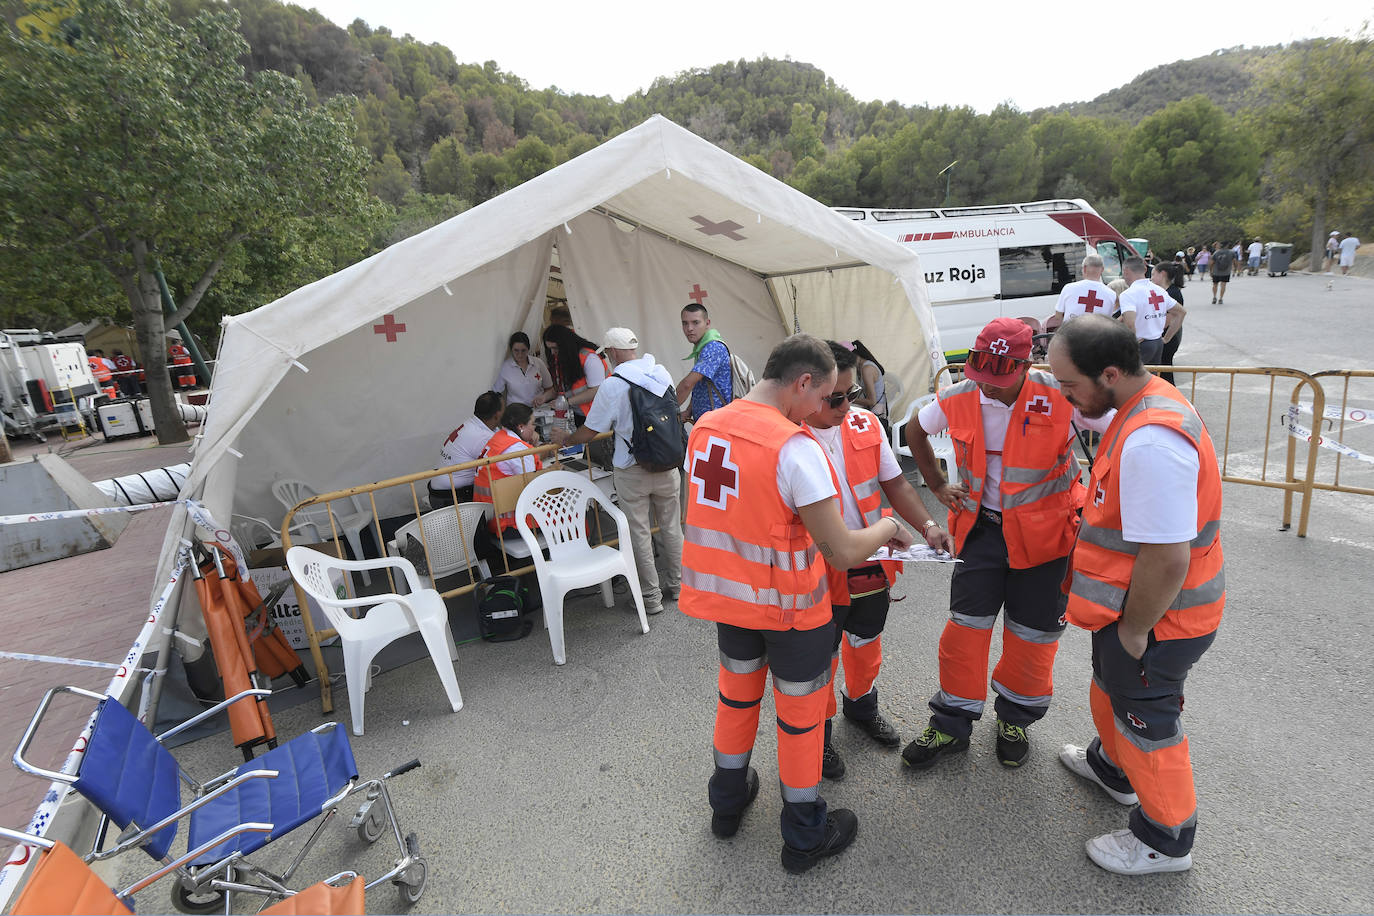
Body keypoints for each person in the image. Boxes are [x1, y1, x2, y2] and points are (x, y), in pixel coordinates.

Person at [680, 333, 915, 873]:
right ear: (803, 382)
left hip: (728, 604)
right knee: (801, 719)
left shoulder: (708, 427)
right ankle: (805, 832)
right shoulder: (794, 447)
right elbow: (842, 551)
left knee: (736, 701)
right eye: (826, 396)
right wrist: (887, 528)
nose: (825, 410)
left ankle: (727, 801)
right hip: (789, 612)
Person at [1047, 314, 1224, 876]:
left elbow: (1168, 556)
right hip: (1128, 610)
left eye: (1070, 385)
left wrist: (1134, 630)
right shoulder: (1138, 404)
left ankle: (1165, 841)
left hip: (1157, 620)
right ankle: (1114, 770)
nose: (1063, 395)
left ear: (1111, 373)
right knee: (1113, 692)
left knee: (1147, 723)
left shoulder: (1150, 439)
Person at [902, 317, 1102, 771]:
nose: (988, 388)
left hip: (1046, 541)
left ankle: (1014, 720)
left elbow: (1119, 427)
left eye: (999, 379)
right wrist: (935, 485)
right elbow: (915, 430)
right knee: (963, 633)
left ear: (1026, 365)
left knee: (1033, 639)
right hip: (982, 535)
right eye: (981, 378)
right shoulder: (960, 394)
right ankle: (951, 724)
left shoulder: (1061, 394)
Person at [804, 341, 954, 779]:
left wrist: (929, 526)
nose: (846, 405)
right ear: (807, 387)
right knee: (821, 657)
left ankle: (861, 706)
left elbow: (897, 485)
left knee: (866, 641)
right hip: (819, 569)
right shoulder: (788, 435)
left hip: (871, 562)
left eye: (851, 394)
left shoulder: (864, 423)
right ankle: (820, 733)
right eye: (836, 397)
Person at [553, 327, 683, 616]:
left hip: (631, 468)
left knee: (639, 533)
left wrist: (567, 439)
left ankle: (651, 598)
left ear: (611, 352)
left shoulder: (613, 385)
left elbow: (590, 431)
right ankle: (679, 586)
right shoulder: (661, 372)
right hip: (667, 463)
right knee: (672, 526)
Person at [473, 402, 543, 537]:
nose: (535, 428)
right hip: (509, 522)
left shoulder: (499, 438)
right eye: (533, 424)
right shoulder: (517, 449)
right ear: (521, 426)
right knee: (569, 512)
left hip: (488, 518)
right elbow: (533, 486)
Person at [430, 391, 503, 507]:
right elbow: (509, 460)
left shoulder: (472, 424)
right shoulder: (483, 436)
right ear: (497, 415)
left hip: (439, 490)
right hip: (451, 497)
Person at [1116, 256, 1178, 366]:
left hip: (1142, 344)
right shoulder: (1159, 290)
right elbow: (1181, 312)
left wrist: (1132, 345)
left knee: (1131, 379)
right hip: (1158, 342)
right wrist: (1166, 338)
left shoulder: (1128, 294)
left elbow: (1130, 324)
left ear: (1125, 271)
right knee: (1151, 380)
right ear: (1145, 269)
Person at [677, 303, 733, 421]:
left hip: (718, 423)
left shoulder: (713, 347)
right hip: (709, 422)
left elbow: (687, 384)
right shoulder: (703, 347)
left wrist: (664, 411)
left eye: (695, 322)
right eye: (685, 323)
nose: (689, 328)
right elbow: (700, 385)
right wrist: (688, 411)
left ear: (707, 323)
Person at [542, 324, 609, 418]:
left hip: (598, 414)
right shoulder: (564, 357)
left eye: (555, 348)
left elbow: (596, 390)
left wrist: (566, 402)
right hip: (578, 413)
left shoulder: (589, 357)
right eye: (550, 349)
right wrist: (544, 397)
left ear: (565, 344)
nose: (552, 352)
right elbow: (562, 387)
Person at [1047, 253, 1117, 330]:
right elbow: (1109, 320)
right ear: (1102, 270)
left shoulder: (1069, 288)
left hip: (1071, 335)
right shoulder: (1111, 294)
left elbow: (1058, 316)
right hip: (1098, 337)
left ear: (1084, 268)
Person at [492, 332, 555, 408]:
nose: (520, 354)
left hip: (538, 409)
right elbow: (496, 394)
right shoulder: (505, 367)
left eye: (523, 350)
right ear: (511, 349)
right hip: (516, 412)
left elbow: (550, 390)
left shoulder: (538, 363)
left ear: (528, 349)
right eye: (516, 350)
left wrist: (544, 398)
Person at [1152, 262, 1188, 387]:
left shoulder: (1172, 293)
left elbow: (1168, 320)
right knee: (1162, 369)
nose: (1151, 278)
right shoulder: (1164, 291)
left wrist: (1164, 338)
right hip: (1166, 336)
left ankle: (1170, 394)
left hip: (1168, 336)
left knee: (1165, 370)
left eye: (1153, 274)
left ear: (1162, 274)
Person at [846, 340, 890, 434]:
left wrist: (849, 399)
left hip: (877, 412)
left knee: (845, 413)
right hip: (869, 407)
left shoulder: (867, 369)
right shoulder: (860, 367)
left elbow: (871, 401)